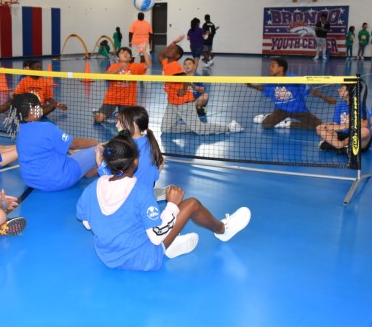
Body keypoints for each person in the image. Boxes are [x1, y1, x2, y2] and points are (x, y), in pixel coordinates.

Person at [76, 134, 251, 271]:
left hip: (108, 255)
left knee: (133, 220)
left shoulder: (92, 188)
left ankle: (172, 243)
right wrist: (172, 205)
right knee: (192, 204)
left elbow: (88, 224)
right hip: (143, 258)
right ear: (136, 161)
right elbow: (156, 235)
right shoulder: (141, 193)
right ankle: (223, 230)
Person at [5, 92, 99, 191]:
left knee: (66, 153)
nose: (41, 107)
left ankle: (86, 171)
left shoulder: (20, 130)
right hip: (59, 180)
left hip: (31, 181)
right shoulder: (47, 128)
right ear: (32, 111)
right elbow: (74, 144)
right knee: (97, 149)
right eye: (38, 105)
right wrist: (96, 143)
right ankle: (99, 170)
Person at [160, 45, 243, 135]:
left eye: (172, 49)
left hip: (183, 103)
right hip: (172, 103)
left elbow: (184, 77)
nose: (169, 49)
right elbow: (160, 56)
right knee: (165, 128)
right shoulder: (166, 63)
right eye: (170, 48)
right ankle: (194, 127)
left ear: (177, 56)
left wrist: (183, 90)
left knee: (199, 129)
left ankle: (229, 127)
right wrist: (168, 48)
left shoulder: (174, 65)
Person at [247, 57, 336, 130]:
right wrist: (252, 86)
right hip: (281, 110)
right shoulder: (271, 81)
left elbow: (310, 89)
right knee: (266, 124)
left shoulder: (293, 79)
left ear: (281, 68)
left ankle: (289, 124)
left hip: (299, 110)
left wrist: (326, 98)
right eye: (270, 66)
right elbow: (264, 88)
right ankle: (270, 117)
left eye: (273, 66)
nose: (270, 68)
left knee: (320, 127)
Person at [93, 47, 152, 123]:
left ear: (130, 58)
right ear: (118, 57)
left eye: (127, 53)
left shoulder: (135, 66)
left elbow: (149, 64)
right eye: (122, 52)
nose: (125, 54)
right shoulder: (114, 66)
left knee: (125, 122)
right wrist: (118, 69)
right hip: (112, 99)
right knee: (98, 119)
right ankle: (99, 112)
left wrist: (144, 50)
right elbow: (106, 75)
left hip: (127, 101)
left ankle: (119, 114)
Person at [0, 60, 67, 117]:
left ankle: (33, 116)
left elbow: (49, 98)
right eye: (37, 68)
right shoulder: (24, 80)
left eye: (40, 68)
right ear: (31, 69)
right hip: (26, 107)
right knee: (11, 101)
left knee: (52, 106)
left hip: (39, 108)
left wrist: (58, 105)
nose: (39, 70)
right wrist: (15, 96)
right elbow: (17, 95)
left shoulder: (45, 82)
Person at [316, 84, 372, 154]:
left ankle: (337, 146)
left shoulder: (359, 106)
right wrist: (326, 125)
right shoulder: (340, 106)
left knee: (365, 131)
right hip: (343, 134)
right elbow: (336, 123)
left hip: (356, 138)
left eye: (342, 88)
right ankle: (341, 148)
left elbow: (364, 124)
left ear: (351, 91)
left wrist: (343, 126)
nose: (338, 90)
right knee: (319, 128)